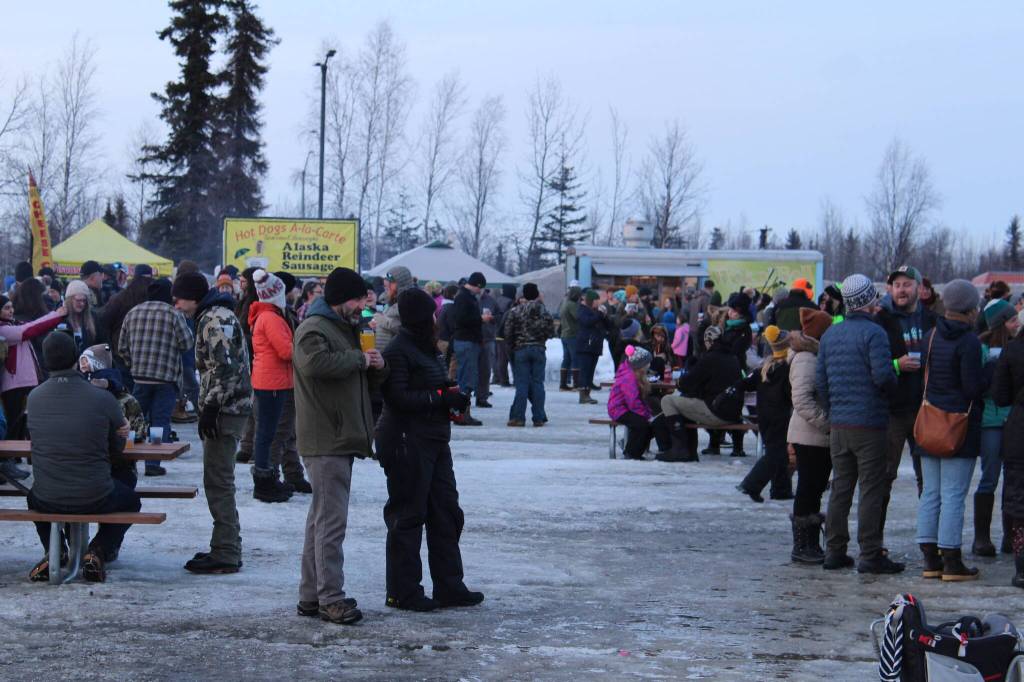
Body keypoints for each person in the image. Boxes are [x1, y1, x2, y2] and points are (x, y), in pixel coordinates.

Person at [375, 287, 482, 611]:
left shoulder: (426, 348)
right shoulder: (398, 350)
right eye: (432, 314)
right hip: (407, 441)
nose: (437, 318)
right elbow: (398, 398)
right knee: (408, 515)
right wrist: (440, 398)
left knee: (446, 513)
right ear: (423, 318)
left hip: (434, 439)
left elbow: (433, 388)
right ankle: (403, 591)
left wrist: (452, 398)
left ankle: (449, 585)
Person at [294, 267, 388, 625]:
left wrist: (376, 363)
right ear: (340, 299)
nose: (361, 306)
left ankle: (310, 595)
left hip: (337, 436)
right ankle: (329, 598)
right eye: (356, 300)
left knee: (320, 520)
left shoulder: (345, 327)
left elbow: (361, 372)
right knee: (330, 522)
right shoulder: (314, 328)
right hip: (325, 438)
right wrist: (358, 359)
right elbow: (314, 364)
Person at [25, 332, 140, 583]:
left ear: (46, 362)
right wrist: (119, 435)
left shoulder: (34, 398)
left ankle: (54, 551)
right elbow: (117, 449)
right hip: (95, 495)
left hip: (48, 497)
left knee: (31, 495)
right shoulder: (103, 398)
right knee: (131, 501)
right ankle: (97, 549)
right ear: (76, 359)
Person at [816, 274, 901, 574]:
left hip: (839, 425)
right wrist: (894, 390)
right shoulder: (875, 334)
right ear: (866, 300)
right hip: (870, 424)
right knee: (871, 490)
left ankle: (834, 551)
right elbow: (882, 376)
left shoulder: (830, 335)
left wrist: (834, 411)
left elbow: (820, 383)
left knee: (841, 489)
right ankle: (869, 553)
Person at [170, 272, 251, 574]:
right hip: (227, 407)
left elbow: (226, 369)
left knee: (218, 481)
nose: (176, 305)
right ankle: (224, 545)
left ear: (192, 296)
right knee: (218, 480)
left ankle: (226, 551)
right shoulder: (213, 315)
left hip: (226, 410)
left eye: (178, 299)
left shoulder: (214, 320)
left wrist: (212, 407)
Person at [914, 279, 987, 582]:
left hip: (929, 423)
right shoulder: (970, 342)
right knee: (954, 494)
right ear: (971, 308)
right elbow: (972, 387)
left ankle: (931, 559)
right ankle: (952, 560)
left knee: (931, 493)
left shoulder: (930, 336)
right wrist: (991, 375)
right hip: (959, 427)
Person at [118, 278, 193, 477]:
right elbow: (186, 343)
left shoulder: (133, 313)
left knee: (133, 422)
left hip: (140, 378)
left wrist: (133, 364)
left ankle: (128, 462)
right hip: (165, 380)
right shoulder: (174, 314)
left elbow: (122, 348)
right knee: (160, 422)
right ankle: (153, 463)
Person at [877, 265, 935, 518]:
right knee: (884, 476)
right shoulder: (880, 319)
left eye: (907, 284)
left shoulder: (932, 320)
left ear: (919, 289)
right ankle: (874, 543)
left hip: (925, 408)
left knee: (928, 477)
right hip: (892, 410)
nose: (901, 290)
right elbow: (871, 363)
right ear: (890, 289)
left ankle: (930, 539)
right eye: (897, 285)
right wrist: (896, 366)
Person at [786, 308, 833, 564]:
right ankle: (803, 546)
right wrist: (827, 424)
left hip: (812, 434)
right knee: (808, 489)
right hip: (810, 435)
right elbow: (802, 400)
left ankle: (810, 544)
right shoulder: (806, 358)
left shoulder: (812, 355)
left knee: (813, 489)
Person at [972, 299, 1019, 556]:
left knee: (1013, 480)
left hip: (1012, 421)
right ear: (1001, 323)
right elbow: (978, 387)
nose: (1017, 323)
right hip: (990, 422)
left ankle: (1011, 537)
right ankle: (982, 538)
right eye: (1012, 320)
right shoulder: (981, 349)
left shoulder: (1016, 347)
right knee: (989, 478)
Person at [247, 270, 296, 503]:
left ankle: (266, 478)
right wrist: (304, 349)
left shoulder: (266, 315)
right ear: (276, 294)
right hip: (273, 382)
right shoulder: (272, 318)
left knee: (266, 433)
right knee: (268, 433)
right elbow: (286, 351)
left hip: (268, 380)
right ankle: (264, 482)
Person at [659, 326, 741, 462]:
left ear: (709, 341)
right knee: (686, 405)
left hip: (716, 412)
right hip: (733, 412)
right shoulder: (733, 358)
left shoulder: (709, 358)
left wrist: (680, 381)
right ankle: (690, 450)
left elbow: (688, 383)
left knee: (667, 401)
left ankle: (679, 448)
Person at [79, 343, 147, 490]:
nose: (83, 365)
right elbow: (140, 434)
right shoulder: (126, 399)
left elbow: (140, 433)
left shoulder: (75, 395)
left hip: (88, 470)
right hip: (111, 470)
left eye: (86, 361)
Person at [736, 326, 793, 502]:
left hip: (764, 415)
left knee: (779, 452)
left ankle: (781, 490)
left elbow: (746, 383)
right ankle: (751, 484)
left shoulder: (765, 367)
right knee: (776, 453)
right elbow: (789, 394)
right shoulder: (786, 369)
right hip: (779, 416)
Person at [0, 294, 65, 444]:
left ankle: (14, 458)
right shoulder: (3, 330)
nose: (11, 311)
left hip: (22, 382)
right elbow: (31, 329)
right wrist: (57, 315)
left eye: (11, 307)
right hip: (13, 384)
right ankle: (8, 459)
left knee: (21, 424)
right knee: (14, 423)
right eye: (6, 308)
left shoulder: (12, 325)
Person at [503, 283, 554, 427]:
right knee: (538, 384)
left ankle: (518, 417)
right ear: (537, 294)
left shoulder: (515, 311)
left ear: (523, 295)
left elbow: (508, 333)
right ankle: (538, 417)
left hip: (521, 350)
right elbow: (551, 332)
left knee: (522, 385)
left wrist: (514, 345)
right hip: (538, 349)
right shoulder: (544, 311)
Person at [608, 345, 669, 459]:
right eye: (647, 363)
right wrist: (645, 415)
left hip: (626, 407)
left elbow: (638, 401)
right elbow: (633, 402)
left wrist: (647, 413)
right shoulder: (629, 377)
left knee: (650, 423)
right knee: (641, 424)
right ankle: (631, 452)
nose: (649, 366)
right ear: (640, 365)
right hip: (618, 409)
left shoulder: (635, 374)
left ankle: (635, 450)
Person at [452, 272, 487, 426]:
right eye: (481, 288)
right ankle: (461, 414)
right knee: (466, 379)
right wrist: (480, 319)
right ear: (477, 285)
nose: (481, 291)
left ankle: (462, 413)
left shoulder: (465, 296)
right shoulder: (463, 297)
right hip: (466, 342)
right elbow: (461, 319)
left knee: (466, 378)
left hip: (467, 341)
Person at [575, 290, 606, 406]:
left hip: (593, 345)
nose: (598, 303)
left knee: (590, 372)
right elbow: (587, 322)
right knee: (585, 371)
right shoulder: (582, 310)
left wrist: (604, 315)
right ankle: (583, 395)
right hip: (585, 345)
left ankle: (587, 393)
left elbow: (605, 324)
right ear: (591, 301)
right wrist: (599, 314)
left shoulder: (594, 311)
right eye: (596, 300)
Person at [63, 279, 107, 355]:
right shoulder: (61, 319)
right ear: (69, 300)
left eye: (84, 300)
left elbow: (105, 343)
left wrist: (106, 355)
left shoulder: (94, 318)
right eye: (78, 300)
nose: (82, 304)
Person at [493, 283, 516, 387]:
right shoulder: (510, 302)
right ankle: (509, 380)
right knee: (511, 358)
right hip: (506, 333)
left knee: (500, 358)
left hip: (496, 332)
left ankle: (499, 378)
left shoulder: (497, 300)